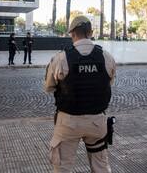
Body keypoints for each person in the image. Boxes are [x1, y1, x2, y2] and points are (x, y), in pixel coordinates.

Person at [44, 15, 116, 172]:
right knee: (101, 167)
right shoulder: (106, 57)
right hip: (97, 122)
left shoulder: (61, 58)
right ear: (90, 32)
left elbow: (49, 87)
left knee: (62, 167)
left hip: (68, 123)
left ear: (72, 33)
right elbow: (108, 83)